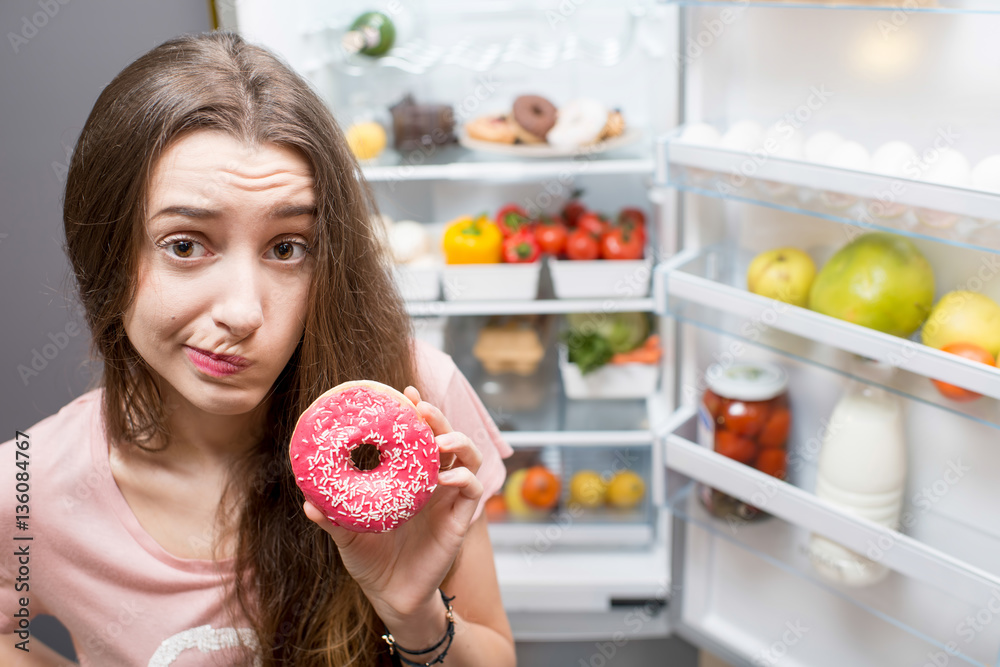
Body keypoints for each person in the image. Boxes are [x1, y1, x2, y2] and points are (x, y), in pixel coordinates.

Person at [0, 31, 515, 667]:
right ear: (105, 251)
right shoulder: (28, 489)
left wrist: (415, 616)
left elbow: (495, 651)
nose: (243, 312)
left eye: (286, 247)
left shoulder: (413, 409)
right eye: (185, 244)